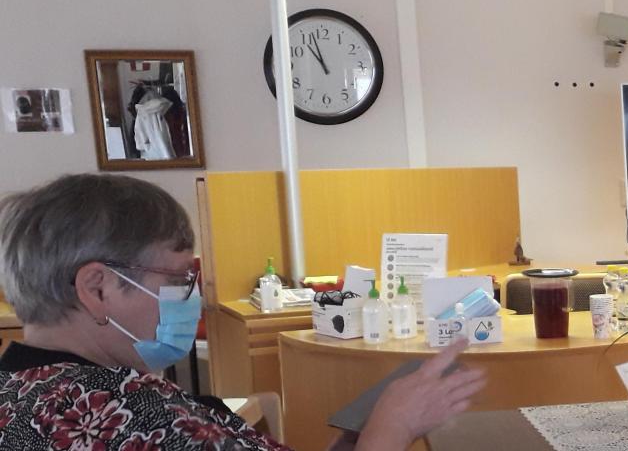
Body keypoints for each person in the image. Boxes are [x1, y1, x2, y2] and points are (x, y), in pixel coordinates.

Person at [0, 174, 485, 450]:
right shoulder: (124, 415)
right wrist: (393, 426)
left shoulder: (26, 393)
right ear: (97, 287)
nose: (190, 296)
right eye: (177, 279)